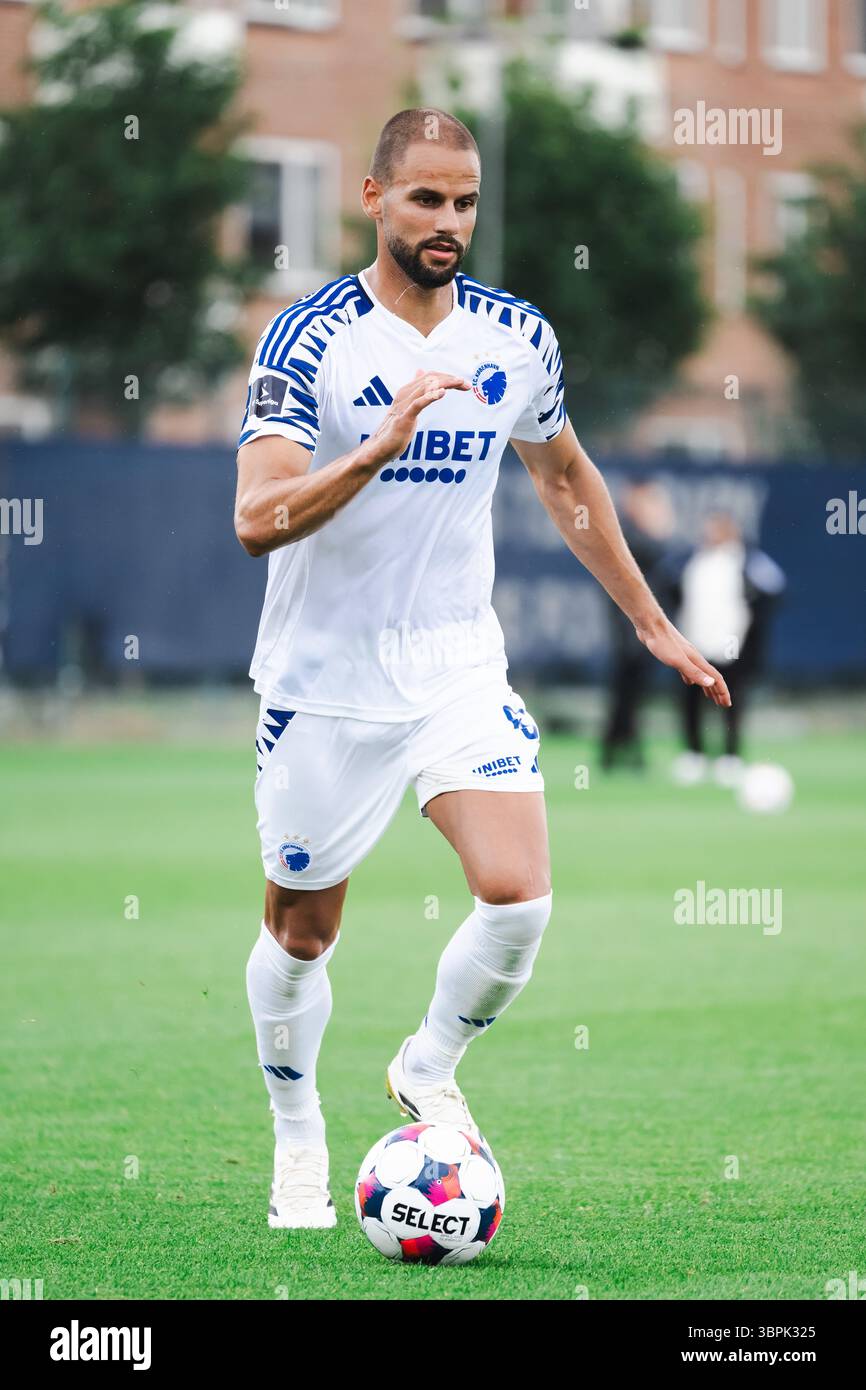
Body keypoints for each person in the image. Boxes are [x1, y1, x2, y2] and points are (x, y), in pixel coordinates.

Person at [233, 108, 731, 1230]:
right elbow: (256, 520)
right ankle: (298, 1136)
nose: (447, 220)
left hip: (456, 666)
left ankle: (427, 1061)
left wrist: (650, 624)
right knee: (302, 933)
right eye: (424, 198)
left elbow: (564, 480)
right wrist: (375, 447)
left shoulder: (515, 337)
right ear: (373, 199)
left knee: (518, 898)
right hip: (323, 681)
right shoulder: (306, 340)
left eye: (462, 202)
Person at [672, 512, 785, 786]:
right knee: (690, 702)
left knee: (731, 701)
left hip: (731, 646)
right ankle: (694, 754)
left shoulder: (747, 560)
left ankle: (730, 756)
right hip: (695, 646)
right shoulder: (693, 561)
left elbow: (775, 588)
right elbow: (669, 587)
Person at [600, 479, 675, 770]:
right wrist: (660, 528)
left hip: (641, 627)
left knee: (631, 692)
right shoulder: (628, 533)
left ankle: (622, 750)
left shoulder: (637, 534)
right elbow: (654, 554)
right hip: (631, 628)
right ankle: (619, 752)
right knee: (626, 692)